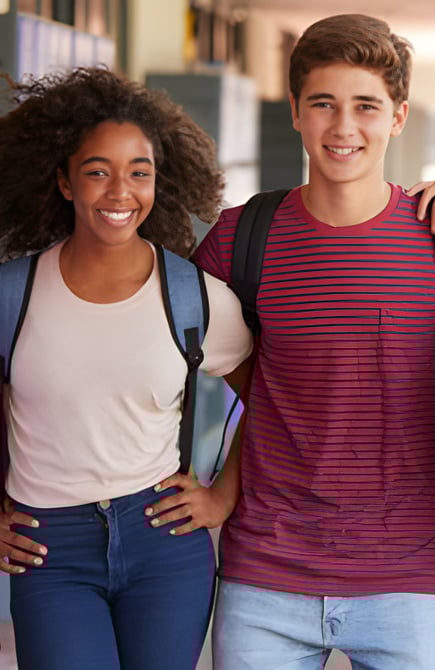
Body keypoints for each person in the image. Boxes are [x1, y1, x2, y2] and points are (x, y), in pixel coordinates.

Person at [188, 14, 435, 670]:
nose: (343, 127)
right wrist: (214, 491)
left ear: (398, 116)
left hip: (408, 575)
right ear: (296, 113)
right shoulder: (239, 239)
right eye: (323, 104)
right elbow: (160, 352)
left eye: (366, 106)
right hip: (265, 571)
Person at [0, 67, 253, 669]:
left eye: (139, 172)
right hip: (48, 547)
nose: (120, 192)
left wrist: (223, 497)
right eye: (97, 171)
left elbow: (272, 396)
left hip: (163, 542)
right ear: (64, 182)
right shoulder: (13, 294)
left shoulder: (193, 296)